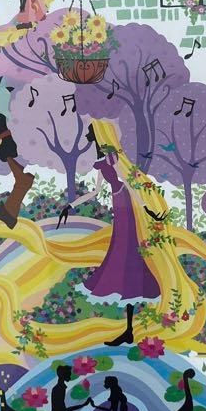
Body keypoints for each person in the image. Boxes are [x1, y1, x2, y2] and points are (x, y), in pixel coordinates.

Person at [62, 123, 161, 346]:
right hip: (119, 204)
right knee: (121, 252)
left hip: (126, 203)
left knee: (127, 252)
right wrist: (72, 205)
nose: (88, 135)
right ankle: (128, 329)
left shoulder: (113, 159)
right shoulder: (101, 163)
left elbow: (128, 185)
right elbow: (96, 191)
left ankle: (129, 328)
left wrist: (146, 208)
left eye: (91, 132)